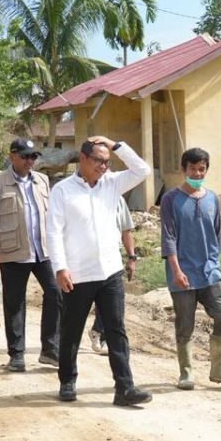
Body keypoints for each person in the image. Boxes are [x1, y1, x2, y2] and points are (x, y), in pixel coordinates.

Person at [50, 136, 152, 406]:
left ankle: (124, 388)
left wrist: (114, 143)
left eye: (107, 162)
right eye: (98, 160)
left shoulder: (112, 184)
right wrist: (60, 267)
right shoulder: (62, 190)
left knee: (116, 330)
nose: (103, 166)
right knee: (72, 329)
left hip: (110, 272)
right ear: (82, 159)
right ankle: (68, 381)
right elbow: (53, 232)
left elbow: (143, 170)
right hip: (78, 274)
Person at [160, 147, 221, 390]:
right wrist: (176, 270)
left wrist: (215, 262)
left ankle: (219, 370)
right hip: (182, 273)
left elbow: (217, 234)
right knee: (185, 323)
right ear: (184, 170)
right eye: (192, 169)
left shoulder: (212, 199)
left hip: (209, 271)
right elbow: (168, 237)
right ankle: (186, 373)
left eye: (201, 169)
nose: (197, 173)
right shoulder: (170, 200)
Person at [0, 138, 61, 373]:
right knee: (15, 303)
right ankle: (16, 354)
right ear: (12, 156)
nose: (30, 161)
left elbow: (54, 216)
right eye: (25, 156)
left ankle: (49, 349)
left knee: (56, 294)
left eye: (33, 157)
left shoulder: (42, 180)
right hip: (12, 250)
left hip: (43, 251)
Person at [89, 197, 137, 354]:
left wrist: (131, 258)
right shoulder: (79, 194)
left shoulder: (117, 199)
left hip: (112, 260)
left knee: (114, 303)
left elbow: (126, 231)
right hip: (85, 260)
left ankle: (103, 336)